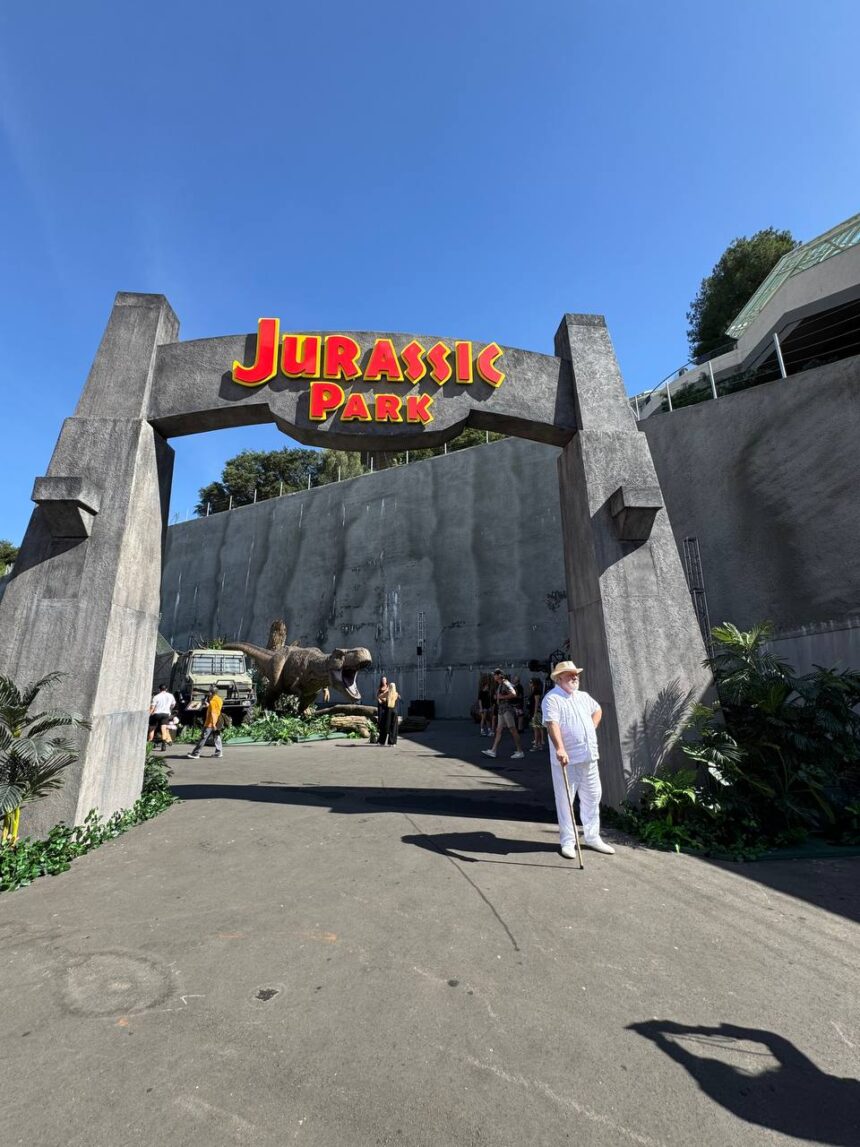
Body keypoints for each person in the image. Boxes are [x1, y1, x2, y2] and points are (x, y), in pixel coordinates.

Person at [542, 661, 614, 857]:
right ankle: (568, 841)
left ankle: (593, 837)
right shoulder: (552, 698)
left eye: (576, 675)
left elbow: (598, 709)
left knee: (593, 797)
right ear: (559, 678)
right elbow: (551, 724)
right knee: (565, 800)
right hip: (568, 759)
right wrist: (560, 748)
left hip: (589, 756)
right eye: (570, 674)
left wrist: (592, 726)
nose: (575, 677)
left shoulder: (583, 696)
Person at [481, 669, 524, 760]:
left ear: (500, 675)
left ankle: (520, 751)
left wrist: (501, 697)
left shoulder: (505, 683)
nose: (494, 676)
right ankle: (493, 750)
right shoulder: (501, 684)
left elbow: (514, 694)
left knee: (512, 730)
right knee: (498, 730)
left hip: (506, 709)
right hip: (501, 709)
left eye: (495, 675)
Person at [185, 686, 224, 759]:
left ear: (211, 693)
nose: (208, 693)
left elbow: (214, 713)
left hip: (210, 723)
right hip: (215, 721)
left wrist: (213, 724)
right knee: (216, 737)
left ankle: (196, 753)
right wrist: (208, 705)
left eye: (209, 692)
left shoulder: (213, 701)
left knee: (203, 737)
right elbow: (216, 709)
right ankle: (219, 752)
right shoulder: (218, 699)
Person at [148, 683, 176, 749]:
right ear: (166, 689)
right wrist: (169, 708)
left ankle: (149, 742)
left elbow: (152, 707)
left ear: (159, 689)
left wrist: (149, 714)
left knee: (152, 729)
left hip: (157, 714)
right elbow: (173, 704)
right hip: (166, 714)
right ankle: (163, 744)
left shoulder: (156, 696)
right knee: (163, 729)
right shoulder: (171, 696)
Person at [528, 677, 545, 751]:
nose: (529, 684)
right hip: (534, 711)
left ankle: (536, 745)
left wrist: (534, 713)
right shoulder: (533, 690)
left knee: (536, 728)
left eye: (531, 682)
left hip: (536, 712)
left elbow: (537, 703)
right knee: (537, 728)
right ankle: (539, 744)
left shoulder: (536, 691)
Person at [382, 680, 399, 745]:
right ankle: (392, 742)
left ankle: (382, 741)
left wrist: (385, 699)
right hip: (394, 711)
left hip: (388, 710)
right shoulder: (396, 694)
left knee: (385, 726)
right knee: (394, 727)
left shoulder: (387, 693)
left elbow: (380, 696)